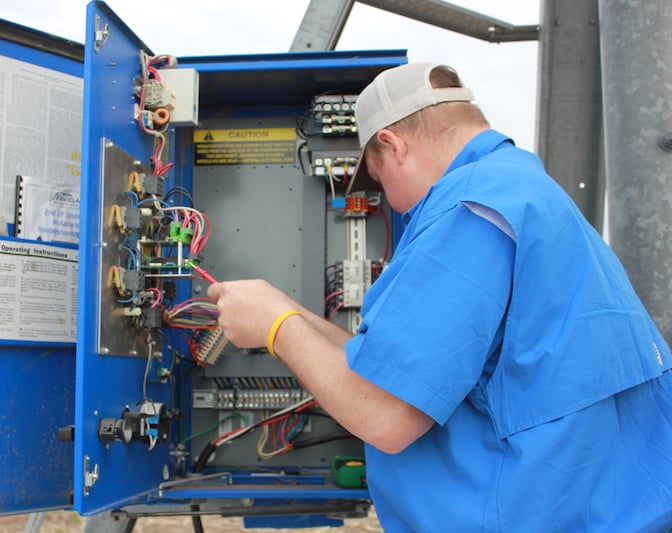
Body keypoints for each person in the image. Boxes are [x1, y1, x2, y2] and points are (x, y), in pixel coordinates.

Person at [207, 62, 672, 531]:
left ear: (392, 145)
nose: (388, 201)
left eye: (379, 179)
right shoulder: (523, 193)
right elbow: (396, 372)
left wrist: (276, 328)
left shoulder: (468, 208)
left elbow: (387, 415)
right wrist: (295, 316)